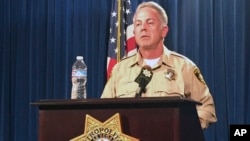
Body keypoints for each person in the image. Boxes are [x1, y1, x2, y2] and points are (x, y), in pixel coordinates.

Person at [101, 1, 217, 129]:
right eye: (138, 24)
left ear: (164, 31)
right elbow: (104, 111)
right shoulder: (120, 69)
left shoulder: (184, 67)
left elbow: (207, 108)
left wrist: (184, 129)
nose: (143, 28)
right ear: (134, 32)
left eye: (150, 23)